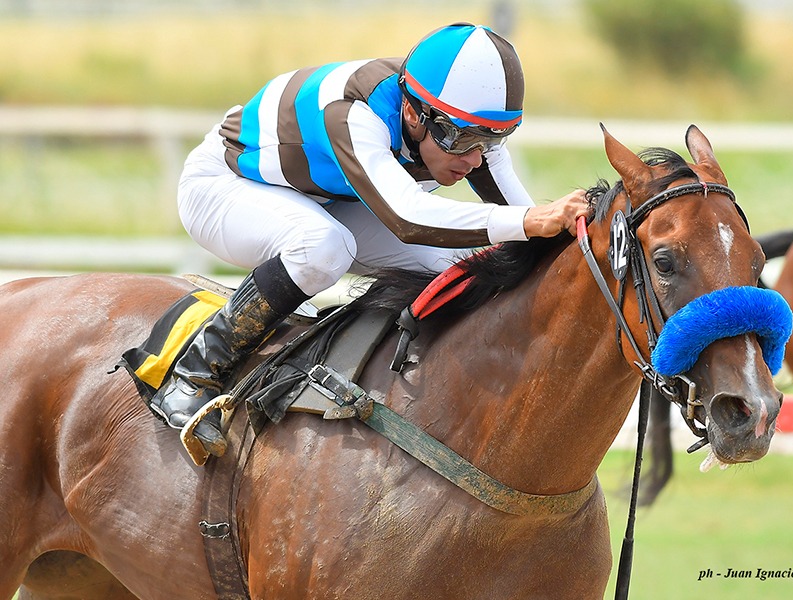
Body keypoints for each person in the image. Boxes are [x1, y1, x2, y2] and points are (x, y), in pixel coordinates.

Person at [149, 22, 590, 457]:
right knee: (324, 247)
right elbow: (409, 219)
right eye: (461, 140)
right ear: (414, 113)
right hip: (226, 185)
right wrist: (532, 219)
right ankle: (192, 375)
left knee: (464, 263)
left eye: (491, 141)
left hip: (325, 197)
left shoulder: (452, 116)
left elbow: (531, 238)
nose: (475, 159)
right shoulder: (355, 112)